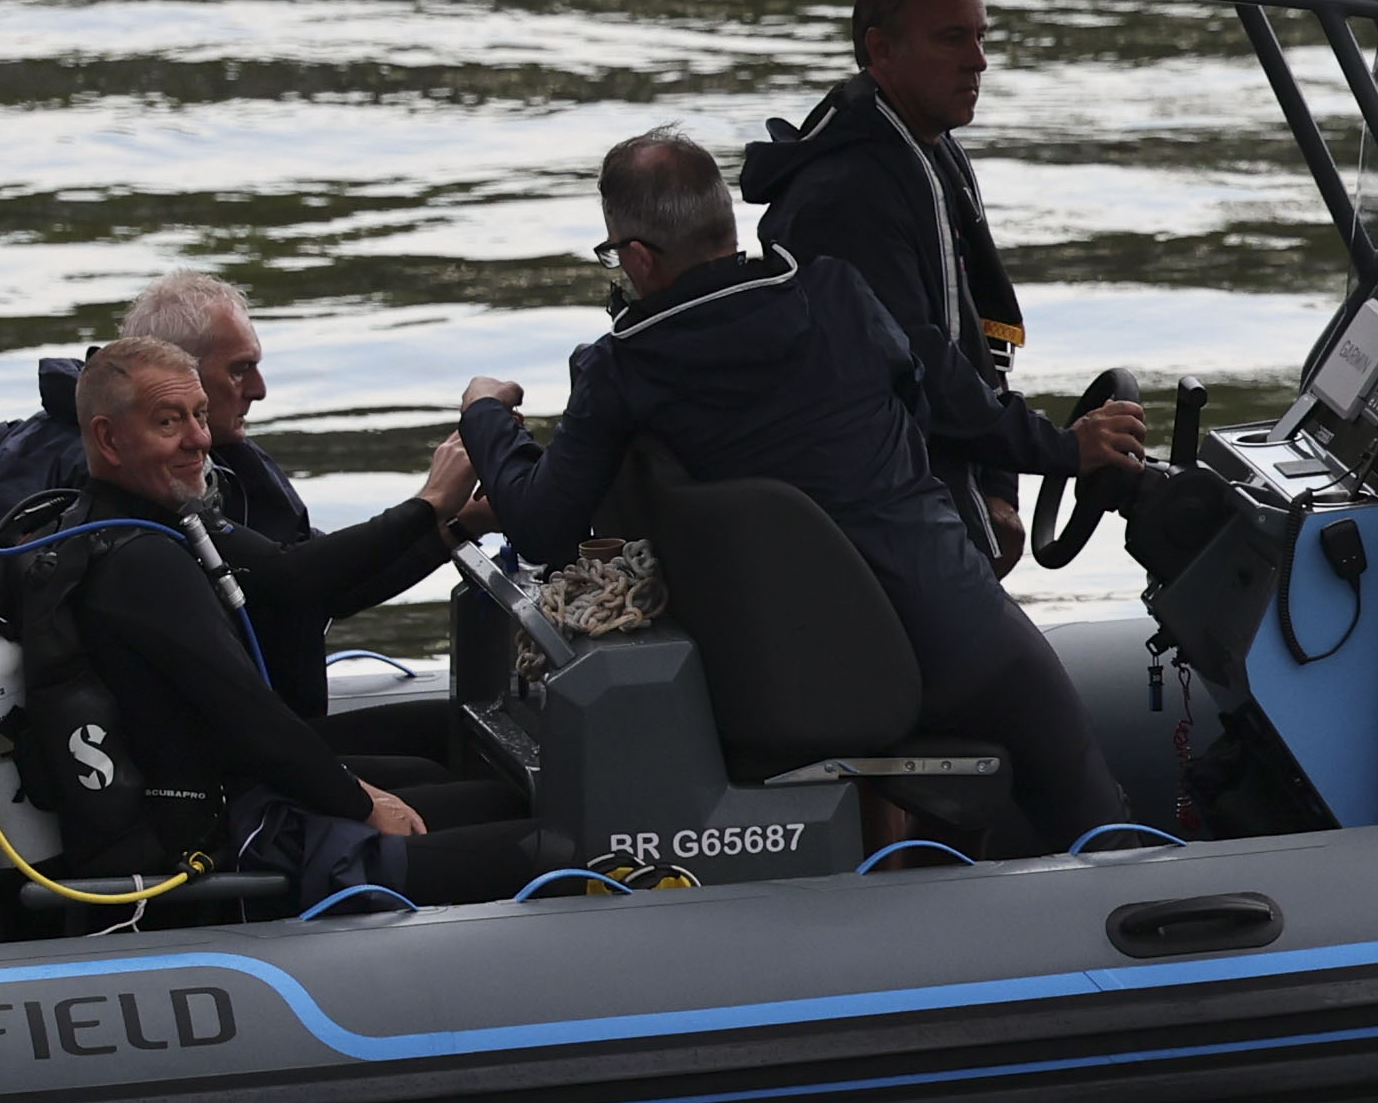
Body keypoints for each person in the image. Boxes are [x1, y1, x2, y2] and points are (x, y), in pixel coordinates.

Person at [455, 134, 1143, 857]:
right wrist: (1059, 450)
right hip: (955, 630)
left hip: (795, 671)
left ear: (638, 259)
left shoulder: (624, 371)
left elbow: (539, 523)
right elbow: (936, 405)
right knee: (1095, 812)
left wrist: (486, 417)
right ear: (726, 226)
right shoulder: (839, 295)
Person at [10, 338, 533, 908]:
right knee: (534, 840)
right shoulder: (143, 560)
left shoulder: (134, 523)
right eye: (169, 422)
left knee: (469, 788)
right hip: (227, 838)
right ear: (109, 439)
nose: (199, 440)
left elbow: (296, 579)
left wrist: (454, 522)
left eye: (199, 416)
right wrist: (361, 804)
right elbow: (249, 717)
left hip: (230, 798)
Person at [741, 0, 1152, 558]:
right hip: (879, 516)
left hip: (930, 483)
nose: (978, 61)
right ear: (880, 50)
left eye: (981, 36)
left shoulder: (928, 151)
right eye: (951, 38)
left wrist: (1000, 486)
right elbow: (919, 364)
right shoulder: (849, 194)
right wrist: (1061, 449)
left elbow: (976, 348)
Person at [0, 272, 422, 722]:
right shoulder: (139, 480)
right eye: (240, 370)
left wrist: (449, 527)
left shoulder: (207, 453)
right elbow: (293, 580)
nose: (259, 389)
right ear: (169, 367)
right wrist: (434, 508)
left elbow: (317, 576)